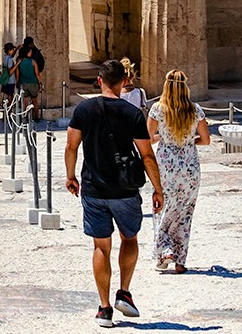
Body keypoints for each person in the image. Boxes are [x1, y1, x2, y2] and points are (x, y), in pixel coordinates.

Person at [66, 59, 164, 329]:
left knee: (101, 246)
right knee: (129, 238)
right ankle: (124, 291)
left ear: (99, 81)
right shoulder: (132, 113)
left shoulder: (84, 109)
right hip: (125, 190)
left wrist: (71, 176)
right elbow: (146, 155)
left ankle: (104, 308)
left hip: (94, 188)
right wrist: (158, 188)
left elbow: (71, 145)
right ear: (123, 82)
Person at [146, 70, 209, 273]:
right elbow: (206, 140)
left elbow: (147, 138)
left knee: (163, 206)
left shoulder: (157, 109)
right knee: (185, 212)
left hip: (166, 166)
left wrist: (163, 139)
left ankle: (164, 250)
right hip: (190, 166)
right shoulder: (195, 109)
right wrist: (189, 142)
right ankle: (180, 260)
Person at [16, 38, 43, 120]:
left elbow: (17, 75)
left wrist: (17, 83)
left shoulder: (19, 61)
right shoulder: (33, 62)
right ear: (27, 53)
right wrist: (40, 83)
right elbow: (37, 74)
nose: (31, 52)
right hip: (33, 83)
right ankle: (37, 116)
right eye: (30, 51)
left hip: (23, 83)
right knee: (35, 100)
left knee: (25, 101)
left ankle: (24, 116)